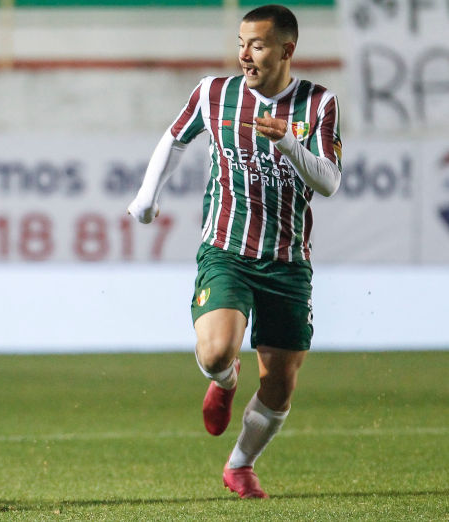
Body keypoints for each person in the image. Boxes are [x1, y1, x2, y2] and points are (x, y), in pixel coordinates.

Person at [127, 5, 342, 499]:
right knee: (216, 349)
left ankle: (240, 465)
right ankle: (224, 379)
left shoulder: (318, 104)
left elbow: (328, 182)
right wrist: (147, 197)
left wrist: (288, 142)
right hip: (226, 249)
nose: (245, 54)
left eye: (258, 45)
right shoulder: (213, 92)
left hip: (287, 261)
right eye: (241, 43)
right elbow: (175, 139)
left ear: (287, 50)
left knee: (280, 385)